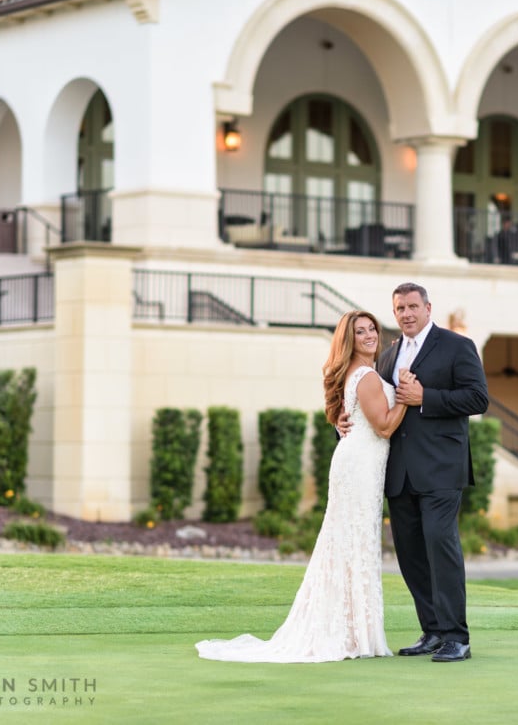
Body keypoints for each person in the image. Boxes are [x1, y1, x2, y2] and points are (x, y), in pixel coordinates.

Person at [195, 310, 410, 663]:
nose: (370, 335)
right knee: (352, 542)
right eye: (361, 331)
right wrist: (404, 396)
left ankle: (351, 632)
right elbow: (385, 427)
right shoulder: (368, 377)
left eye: (372, 328)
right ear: (349, 339)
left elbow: (350, 416)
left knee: (350, 543)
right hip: (358, 467)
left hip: (360, 464)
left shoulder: (362, 373)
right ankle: (350, 634)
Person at [377, 282, 489, 662]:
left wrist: (427, 398)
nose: (406, 314)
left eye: (412, 306)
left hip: (441, 469)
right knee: (410, 556)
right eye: (399, 309)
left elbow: (478, 398)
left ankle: (457, 637)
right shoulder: (389, 355)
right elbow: (380, 404)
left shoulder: (457, 346)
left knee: (441, 548)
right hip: (399, 472)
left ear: (427, 308)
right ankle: (433, 631)